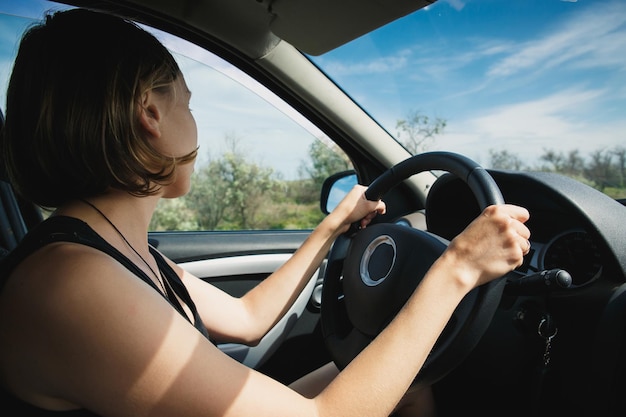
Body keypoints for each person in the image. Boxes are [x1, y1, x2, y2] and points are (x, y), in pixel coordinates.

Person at [0, 8, 531, 417]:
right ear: (150, 113)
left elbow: (249, 320)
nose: (194, 122)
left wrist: (333, 224)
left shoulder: (115, 254)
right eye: (187, 102)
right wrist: (457, 267)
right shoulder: (74, 283)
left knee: (412, 382)